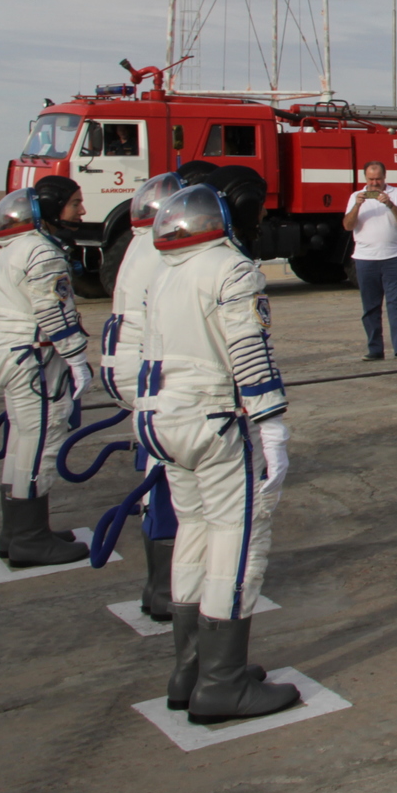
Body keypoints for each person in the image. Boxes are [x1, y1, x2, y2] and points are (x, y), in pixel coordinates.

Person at [138, 181, 300, 724]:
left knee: (194, 534)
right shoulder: (231, 270)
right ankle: (223, 682)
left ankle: (191, 669)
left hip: (161, 419)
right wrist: (271, 425)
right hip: (212, 421)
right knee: (237, 539)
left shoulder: (164, 273)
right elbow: (249, 351)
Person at [0, 176, 91, 568]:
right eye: (75, 202)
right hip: (33, 360)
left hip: (8, 353)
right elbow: (53, 312)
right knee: (40, 441)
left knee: (22, 440)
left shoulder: (14, 248)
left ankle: (16, 532)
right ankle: (29, 538)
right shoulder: (42, 254)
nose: (82, 210)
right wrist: (77, 360)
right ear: (49, 208)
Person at [99, 171, 184, 621]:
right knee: (169, 477)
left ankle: (159, 584)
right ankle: (168, 585)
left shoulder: (136, 246)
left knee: (157, 469)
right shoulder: (158, 252)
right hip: (155, 375)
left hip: (134, 370)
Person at [343, 161, 397, 361]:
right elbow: (348, 225)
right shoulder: (354, 197)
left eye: (378, 179)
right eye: (371, 180)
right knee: (370, 307)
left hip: (394, 257)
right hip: (365, 259)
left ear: (385, 177)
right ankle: (375, 349)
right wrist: (357, 204)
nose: (375, 184)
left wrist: (389, 203)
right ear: (365, 179)